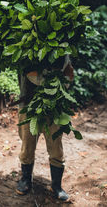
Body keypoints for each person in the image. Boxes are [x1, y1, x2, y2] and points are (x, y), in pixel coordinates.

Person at [15, 55, 74, 201]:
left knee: (56, 148)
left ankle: (56, 186)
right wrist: (53, 82)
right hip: (28, 105)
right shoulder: (26, 51)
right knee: (27, 145)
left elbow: (69, 73)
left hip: (54, 108)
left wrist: (60, 85)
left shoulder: (61, 51)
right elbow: (30, 73)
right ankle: (26, 180)